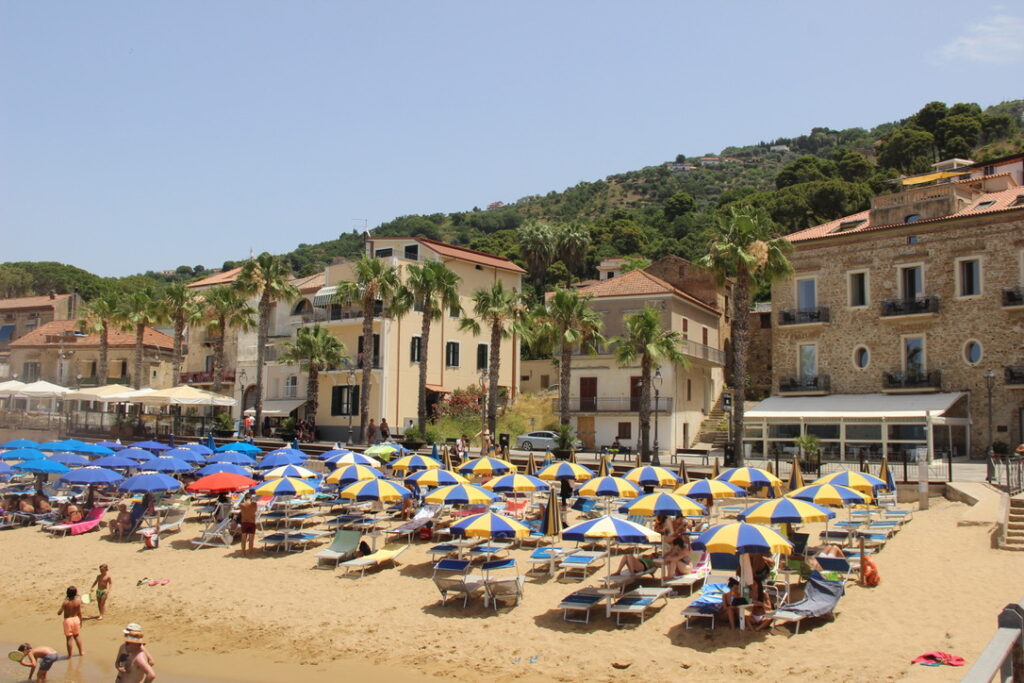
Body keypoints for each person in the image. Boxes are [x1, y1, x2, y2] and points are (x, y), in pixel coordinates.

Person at [57, 586, 84, 657]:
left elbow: (59, 612)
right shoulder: (78, 602)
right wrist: (81, 621)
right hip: (76, 619)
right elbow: (80, 613)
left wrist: (59, 611)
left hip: (68, 620)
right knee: (77, 636)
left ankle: (70, 655)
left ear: (67, 593)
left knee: (69, 638)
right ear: (75, 594)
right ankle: (81, 652)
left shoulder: (65, 603)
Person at [239, 492, 258, 557]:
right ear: (251, 498)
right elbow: (255, 511)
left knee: (243, 539)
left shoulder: (241, 505)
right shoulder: (254, 505)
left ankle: (243, 553)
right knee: (251, 539)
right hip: (252, 522)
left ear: (245, 498)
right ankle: (250, 553)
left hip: (244, 522)